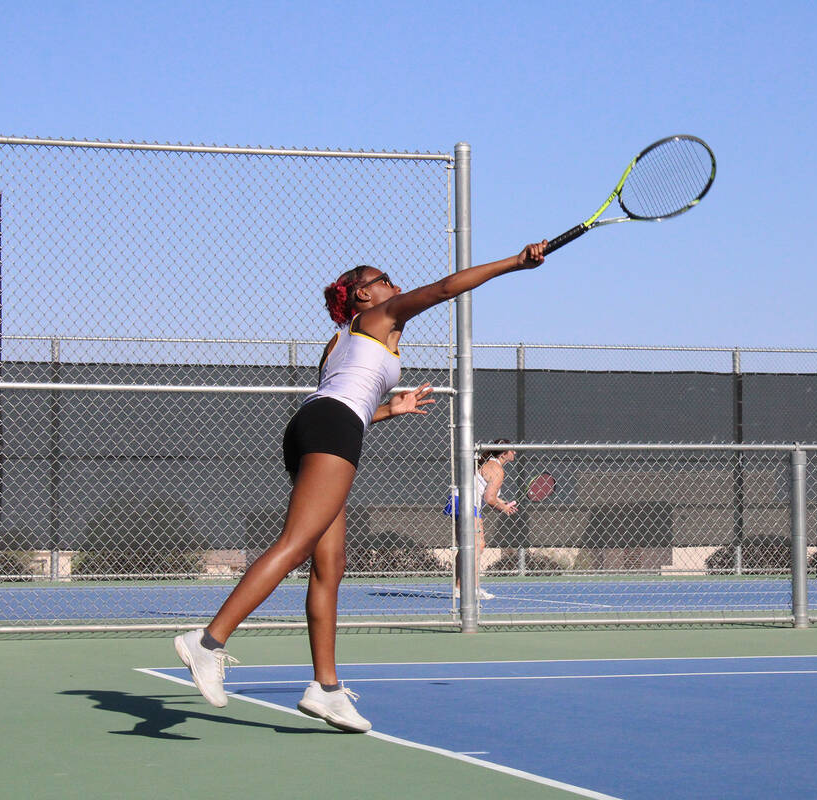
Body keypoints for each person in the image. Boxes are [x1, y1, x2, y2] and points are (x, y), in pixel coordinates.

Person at [175, 240, 547, 732]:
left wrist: (393, 408)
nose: (395, 285)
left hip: (315, 424)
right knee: (296, 544)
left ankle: (325, 689)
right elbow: (444, 289)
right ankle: (208, 642)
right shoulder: (384, 315)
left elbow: (342, 399)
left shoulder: (340, 341)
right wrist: (514, 263)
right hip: (332, 430)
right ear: (363, 296)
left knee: (330, 565)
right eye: (384, 280)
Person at [455, 439, 517, 600]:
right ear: (504, 454)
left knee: (466, 546)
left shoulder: (490, 464)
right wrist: (503, 507)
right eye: (512, 450)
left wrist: (503, 503)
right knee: (477, 546)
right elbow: (489, 499)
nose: (515, 452)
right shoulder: (497, 470)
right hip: (468, 504)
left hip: (457, 499)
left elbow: (488, 495)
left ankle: (459, 588)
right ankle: (473, 589)